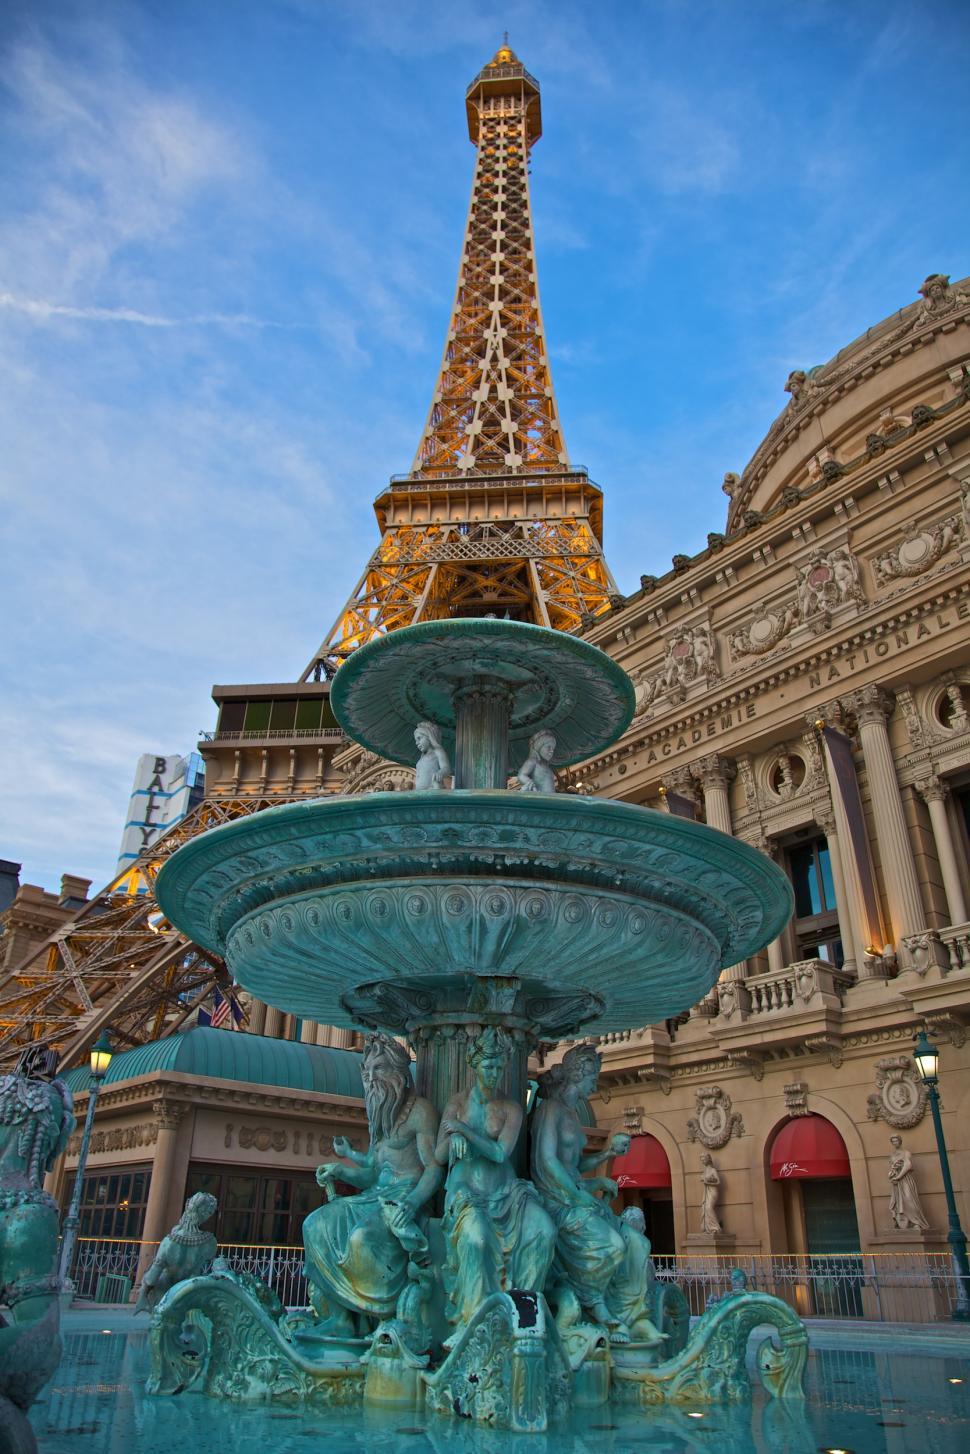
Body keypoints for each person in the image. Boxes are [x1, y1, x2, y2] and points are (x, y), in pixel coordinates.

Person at [302, 1034, 441, 1333]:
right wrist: (340, 1168)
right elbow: (371, 1173)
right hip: (376, 1195)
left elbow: (433, 1167)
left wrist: (413, 1203)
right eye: (367, 1072)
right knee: (315, 1225)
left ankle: (384, 1317)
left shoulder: (420, 1112)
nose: (371, 1079)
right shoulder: (379, 1116)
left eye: (378, 1069)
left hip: (404, 1199)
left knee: (361, 1239)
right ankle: (341, 1321)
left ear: (399, 1074)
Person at [436, 1026, 556, 1343]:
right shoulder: (456, 1103)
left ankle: (525, 1313)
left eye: (499, 1067)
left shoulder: (510, 1108)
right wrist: (453, 1141)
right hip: (468, 1195)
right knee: (475, 1239)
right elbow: (437, 1153)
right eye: (488, 1066)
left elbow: (500, 1153)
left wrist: (462, 1130)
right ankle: (473, 1323)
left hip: (508, 1194)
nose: (494, 1073)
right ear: (474, 1065)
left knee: (543, 1228)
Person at [532, 1043, 648, 1342]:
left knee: (636, 1243)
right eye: (592, 1075)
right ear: (578, 1074)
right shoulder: (550, 1110)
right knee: (612, 1245)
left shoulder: (571, 1113)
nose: (595, 1082)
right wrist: (578, 1195)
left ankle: (633, 1315)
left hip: (576, 1197)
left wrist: (607, 1153)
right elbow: (546, 1161)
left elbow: (575, 1163)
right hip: (558, 1200)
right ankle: (592, 1303)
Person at [888, 1135, 929, 1231]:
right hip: (896, 1183)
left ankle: (916, 1222)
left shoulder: (906, 1153)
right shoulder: (892, 1155)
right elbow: (891, 1169)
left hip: (905, 1179)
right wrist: (892, 1175)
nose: (895, 1143)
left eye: (896, 1141)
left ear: (900, 1141)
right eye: (893, 1141)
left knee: (910, 1200)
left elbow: (908, 1165)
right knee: (898, 1203)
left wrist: (898, 1177)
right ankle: (904, 1224)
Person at [516, 730, 557, 794]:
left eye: (553, 748)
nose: (551, 751)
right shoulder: (533, 761)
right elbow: (521, 775)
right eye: (548, 747)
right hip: (541, 798)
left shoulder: (548, 767)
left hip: (551, 799)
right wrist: (529, 783)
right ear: (539, 747)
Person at [413, 721, 451, 790]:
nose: (417, 743)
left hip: (433, 788)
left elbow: (447, 768)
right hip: (420, 792)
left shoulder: (438, 751)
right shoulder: (422, 756)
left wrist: (440, 773)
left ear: (429, 737)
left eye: (419, 738)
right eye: (416, 740)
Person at [699, 1152, 722, 1235]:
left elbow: (718, 1182)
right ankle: (708, 1229)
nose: (702, 1160)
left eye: (703, 1158)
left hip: (713, 1191)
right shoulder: (704, 1171)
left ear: (708, 1159)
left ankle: (715, 1228)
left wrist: (707, 1182)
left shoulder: (713, 1170)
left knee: (709, 1208)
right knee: (704, 1208)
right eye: (701, 1159)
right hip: (706, 1191)